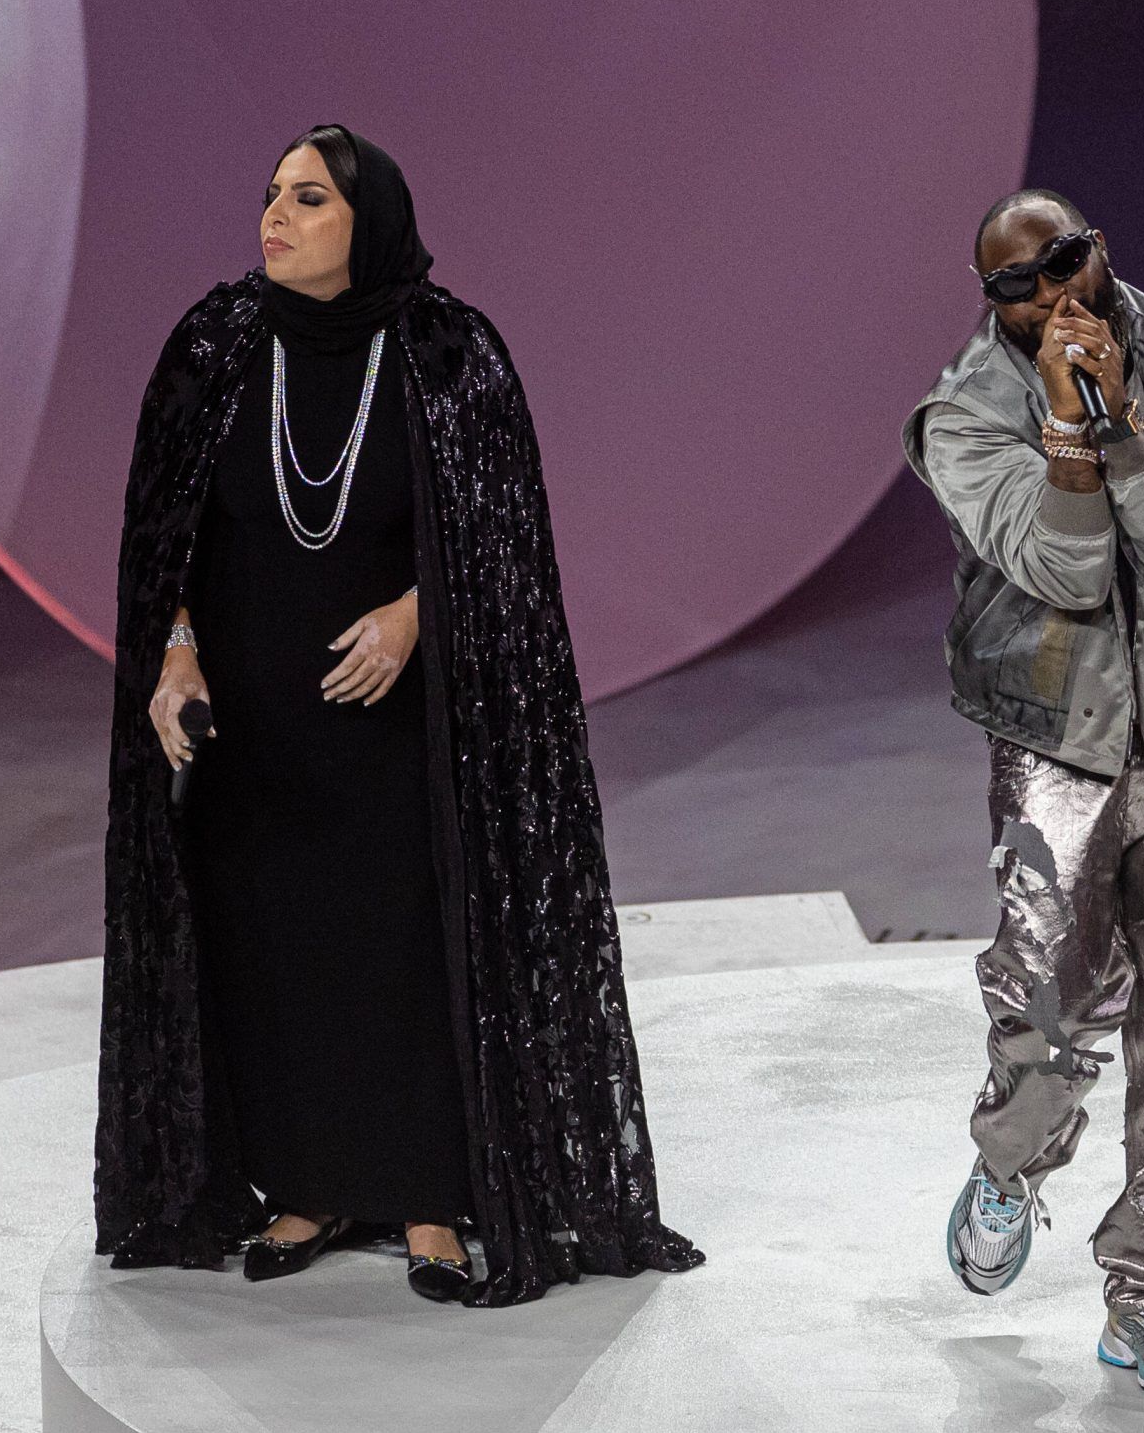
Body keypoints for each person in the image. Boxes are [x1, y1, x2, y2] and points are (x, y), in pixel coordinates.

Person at [98, 124, 701, 1306]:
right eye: (272, 194)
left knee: (406, 941)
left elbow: (508, 542)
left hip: (400, 720)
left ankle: (430, 1193)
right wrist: (174, 657)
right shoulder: (217, 346)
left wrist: (420, 612)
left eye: (308, 199)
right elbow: (161, 535)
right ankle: (308, 1185)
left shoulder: (446, 351)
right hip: (254, 720)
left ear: (364, 222)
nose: (275, 217)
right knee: (276, 942)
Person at [902, 190, 1144, 1395]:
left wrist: (1128, 430)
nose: (1050, 294)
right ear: (993, 301)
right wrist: (1072, 428)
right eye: (1017, 284)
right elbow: (1063, 568)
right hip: (1055, 740)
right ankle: (1011, 1163)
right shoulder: (966, 413)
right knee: (1051, 1005)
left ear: (1099, 247)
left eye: (1063, 260)